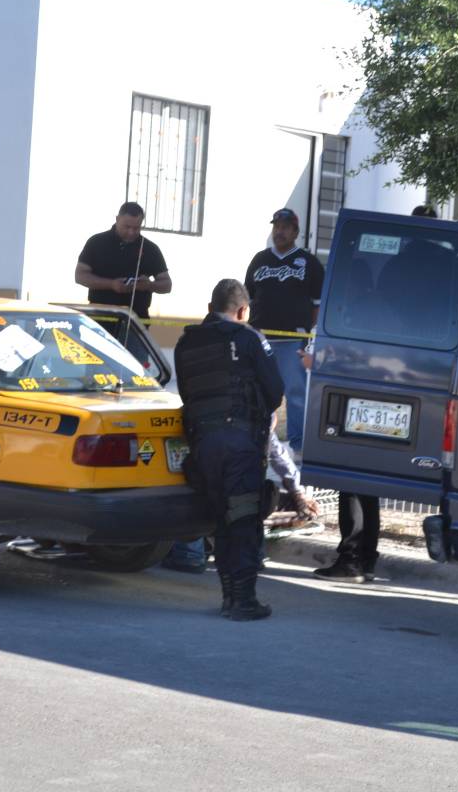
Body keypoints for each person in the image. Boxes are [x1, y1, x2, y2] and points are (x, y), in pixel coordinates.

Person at [314, 203, 443, 583]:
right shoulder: (444, 268)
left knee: (354, 470)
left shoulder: (400, 265)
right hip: (417, 374)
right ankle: (362, 558)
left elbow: (379, 308)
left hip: (373, 368)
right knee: (365, 473)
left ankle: (354, 558)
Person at [173, 279, 284, 620]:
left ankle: (228, 597)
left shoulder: (185, 343)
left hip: (204, 446)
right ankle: (243, 600)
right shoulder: (250, 338)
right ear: (242, 311)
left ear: (210, 309)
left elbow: (188, 394)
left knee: (221, 519)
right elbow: (275, 391)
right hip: (240, 446)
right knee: (244, 519)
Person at [160, 426, 318, 573]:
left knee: (195, 490)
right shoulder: (259, 414)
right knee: (248, 498)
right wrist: (298, 492)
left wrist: (298, 494)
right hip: (244, 484)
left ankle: (190, 555)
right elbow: (279, 457)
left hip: (216, 476)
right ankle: (253, 556)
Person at [244, 208, 324, 455]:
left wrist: (306, 333)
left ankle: (298, 446)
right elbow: (247, 297)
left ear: (296, 232)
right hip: (261, 338)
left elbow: (317, 305)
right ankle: (255, 443)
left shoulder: (309, 262)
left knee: (295, 394)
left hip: (292, 340)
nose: (280, 231)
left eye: (286, 227)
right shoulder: (260, 259)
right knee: (257, 391)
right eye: (277, 226)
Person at [75, 202, 172, 320]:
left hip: (136, 320)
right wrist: (111, 285)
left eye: (136, 228)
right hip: (99, 319)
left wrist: (149, 285)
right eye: (127, 227)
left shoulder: (150, 248)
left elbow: (167, 285)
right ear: (117, 219)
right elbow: (80, 276)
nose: (131, 232)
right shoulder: (96, 242)